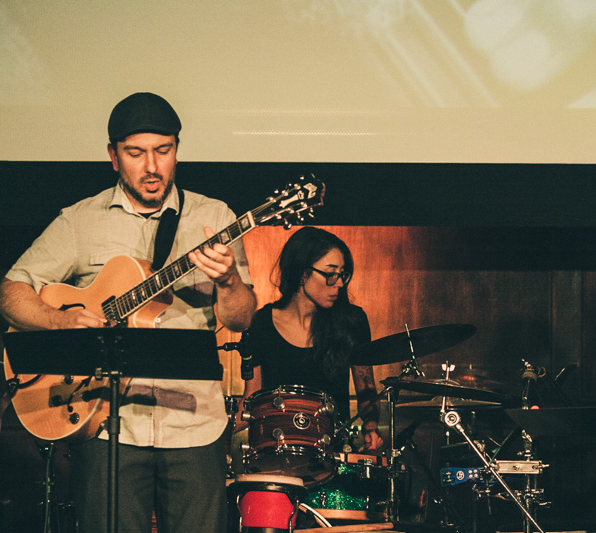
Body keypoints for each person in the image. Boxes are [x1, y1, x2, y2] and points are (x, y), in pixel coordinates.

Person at [0, 92, 257, 533]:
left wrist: (230, 282)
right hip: (107, 427)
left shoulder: (215, 217)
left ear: (178, 149)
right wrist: (61, 321)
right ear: (113, 156)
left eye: (164, 151)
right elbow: (11, 292)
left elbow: (241, 318)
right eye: (136, 153)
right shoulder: (80, 221)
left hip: (194, 424)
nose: (152, 166)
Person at [240, 226, 382, 453]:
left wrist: (371, 427)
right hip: (275, 454)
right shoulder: (261, 323)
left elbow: (366, 387)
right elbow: (251, 397)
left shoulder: (352, 321)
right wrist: (219, 433)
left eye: (342, 274)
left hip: (332, 454)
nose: (339, 283)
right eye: (330, 274)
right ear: (301, 273)